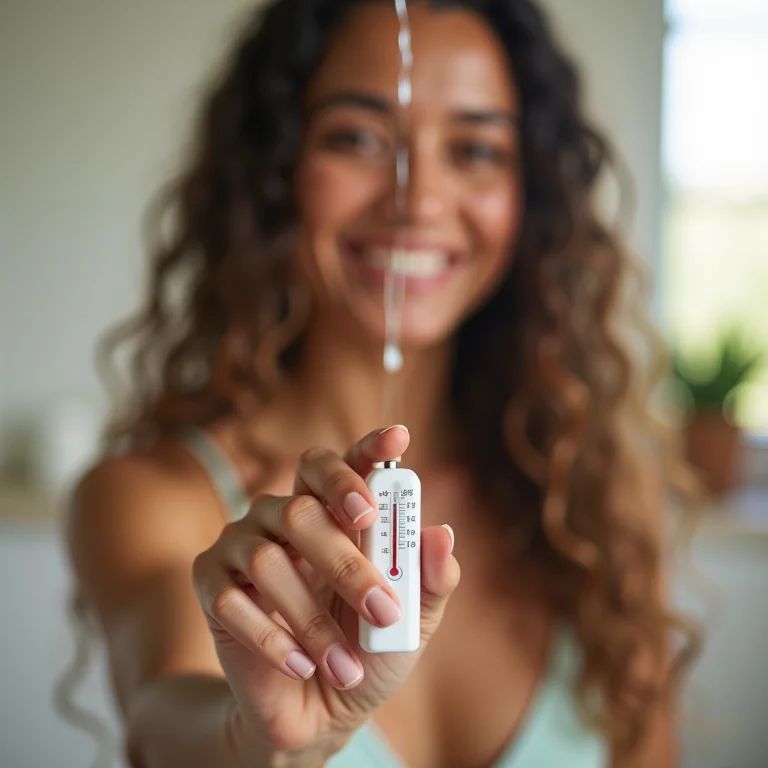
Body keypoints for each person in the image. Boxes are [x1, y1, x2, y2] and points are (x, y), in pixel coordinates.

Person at [65, 0, 698, 766]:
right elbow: (164, 714)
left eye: (475, 150)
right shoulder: (152, 497)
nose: (417, 200)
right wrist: (256, 738)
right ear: (275, 171)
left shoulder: (594, 504)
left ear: (529, 198)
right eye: (358, 138)